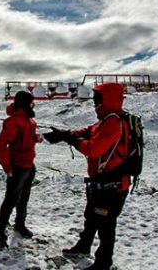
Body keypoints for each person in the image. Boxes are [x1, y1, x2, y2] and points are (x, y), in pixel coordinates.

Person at [44, 82, 131, 270]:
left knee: (106, 225)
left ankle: (103, 263)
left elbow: (93, 149)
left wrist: (73, 141)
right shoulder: (105, 120)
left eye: (98, 99)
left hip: (113, 186)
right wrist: (66, 134)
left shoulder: (114, 123)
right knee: (91, 217)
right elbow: (88, 132)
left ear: (107, 100)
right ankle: (83, 247)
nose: (95, 103)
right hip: (102, 183)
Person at [0, 90, 44, 245]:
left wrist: (36, 138)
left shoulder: (29, 121)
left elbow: (25, 140)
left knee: (24, 198)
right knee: (11, 199)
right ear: (25, 103)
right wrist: (8, 168)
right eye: (31, 102)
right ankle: (0, 230)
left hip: (29, 165)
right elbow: (0, 144)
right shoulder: (14, 121)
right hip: (17, 168)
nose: (33, 104)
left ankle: (20, 225)